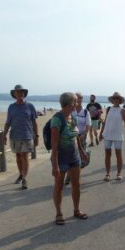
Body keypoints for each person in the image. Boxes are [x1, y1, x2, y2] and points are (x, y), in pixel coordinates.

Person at [50, 92, 89, 225]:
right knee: (59, 186)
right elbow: (54, 145)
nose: (77, 104)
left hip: (74, 156)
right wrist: (54, 164)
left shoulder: (73, 117)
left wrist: (82, 151)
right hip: (61, 158)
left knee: (76, 184)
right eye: (75, 102)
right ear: (69, 103)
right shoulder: (57, 119)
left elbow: (76, 135)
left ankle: (76, 210)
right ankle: (59, 213)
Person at [3, 85, 38, 189]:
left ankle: (24, 179)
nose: (20, 94)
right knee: (18, 156)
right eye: (18, 92)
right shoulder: (11, 107)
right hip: (14, 135)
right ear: (14, 94)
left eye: (22, 92)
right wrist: (4, 135)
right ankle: (21, 174)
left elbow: (34, 122)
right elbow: (8, 122)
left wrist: (36, 136)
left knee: (25, 156)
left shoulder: (30, 106)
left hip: (27, 135)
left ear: (24, 94)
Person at [99, 92, 125, 181]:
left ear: (120, 100)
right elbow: (105, 122)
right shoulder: (109, 109)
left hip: (118, 135)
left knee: (118, 154)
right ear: (112, 100)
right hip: (107, 134)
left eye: (117, 98)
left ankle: (119, 173)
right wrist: (101, 132)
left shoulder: (122, 110)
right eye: (114, 98)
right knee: (107, 154)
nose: (115, 100)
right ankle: (107, 174)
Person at [64, 92, 91, 184]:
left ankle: (73, 173)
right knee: (70, 158)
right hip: (71, 138)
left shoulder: (85, 111)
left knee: (84, 159)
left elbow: (88, 125)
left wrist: (85, 134)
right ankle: (70, 175)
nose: (78, 100)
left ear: (82, 99)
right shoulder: (71, 110)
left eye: (79, 98)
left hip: (82, 137)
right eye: (76, 98)